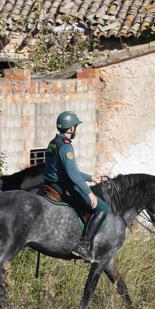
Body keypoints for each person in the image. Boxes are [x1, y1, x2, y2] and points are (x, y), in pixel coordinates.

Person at [43, 111, 110, 262]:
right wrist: (89, 193)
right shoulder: (66, 146)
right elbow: (72, 175)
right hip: (61, 186)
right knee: (103, 208)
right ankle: (83, 245)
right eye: (75, 126)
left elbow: (69, 170)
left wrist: (91, 178)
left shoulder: (54, 142)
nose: (75, 130)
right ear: (71, 129)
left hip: (50, 184)